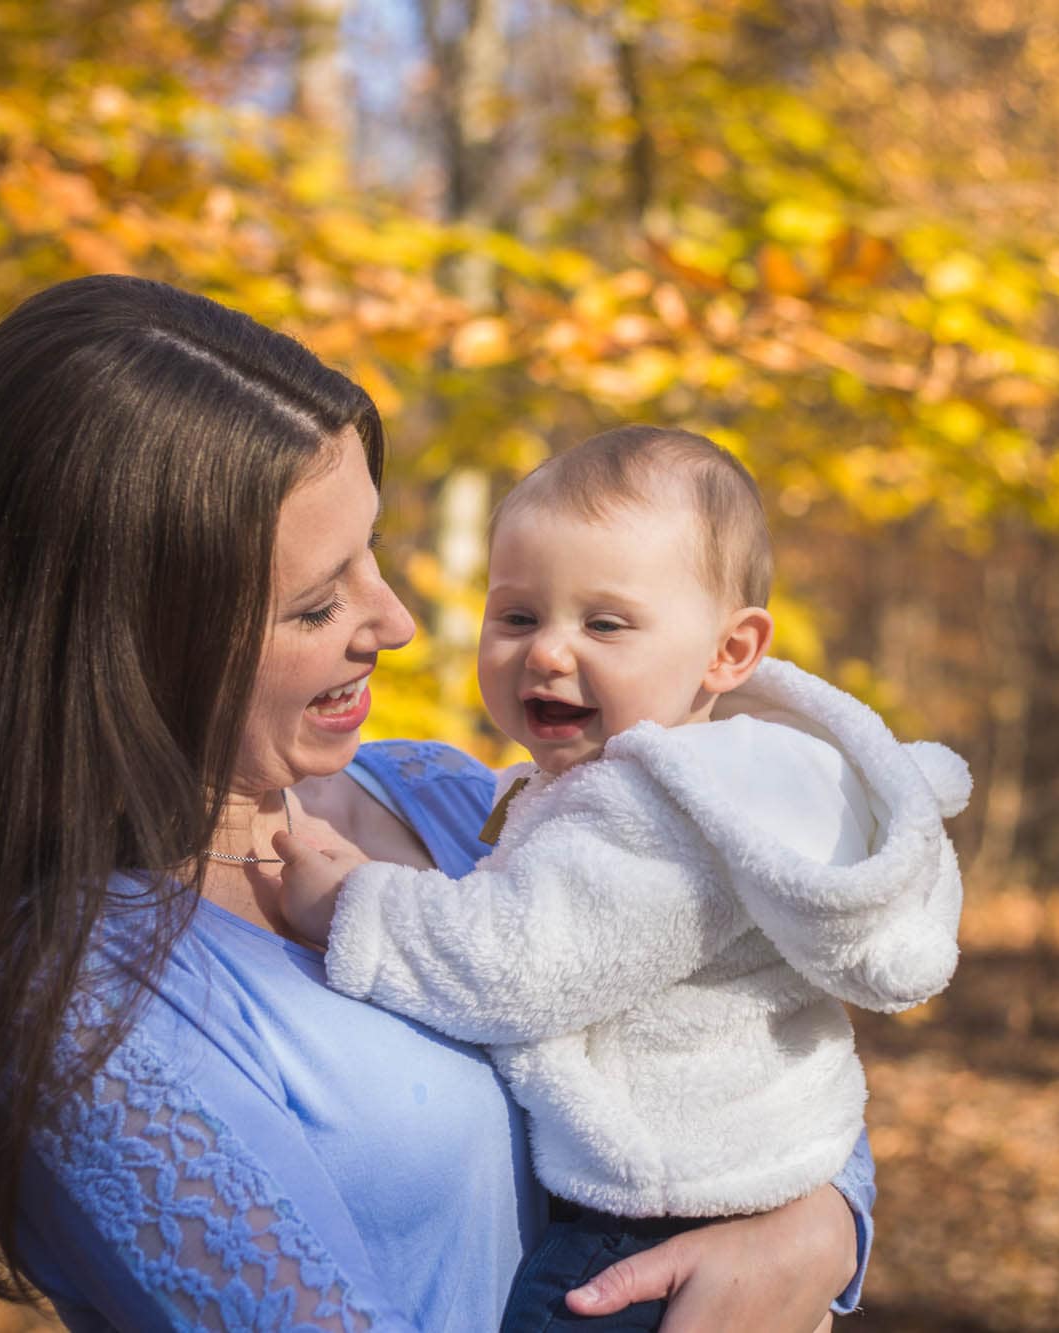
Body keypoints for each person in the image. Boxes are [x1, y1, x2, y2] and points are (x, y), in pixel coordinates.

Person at [0, 275, 878, 1332]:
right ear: (124, 643)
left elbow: (741, 1020)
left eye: (371, 553)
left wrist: (818, 1232)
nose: (397, 620)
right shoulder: (86, 1006)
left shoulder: (458, 796)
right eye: (318, 602)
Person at [272, 426, 969, 1331]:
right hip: (711, 1189)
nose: (550, 653)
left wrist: (357, 906)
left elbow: (522, 964)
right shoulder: (596, 785)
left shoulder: (664, 812)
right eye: (518, 617)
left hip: (649, 1225)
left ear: (729, 652)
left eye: (604, 623)